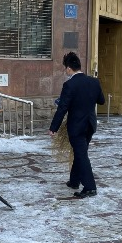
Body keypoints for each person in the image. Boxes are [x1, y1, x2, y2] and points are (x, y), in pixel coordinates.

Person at [48, 52, 105, 199]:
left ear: (68, 69)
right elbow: (102, 101)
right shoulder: (94, 82)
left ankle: (90, 187)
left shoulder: (69, 85)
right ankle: (74, 180)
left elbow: (63, 108)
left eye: (65, 69)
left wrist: (53, 127)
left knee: (81, 154)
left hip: (76, 126)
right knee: (80, 152)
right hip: (90, 124)